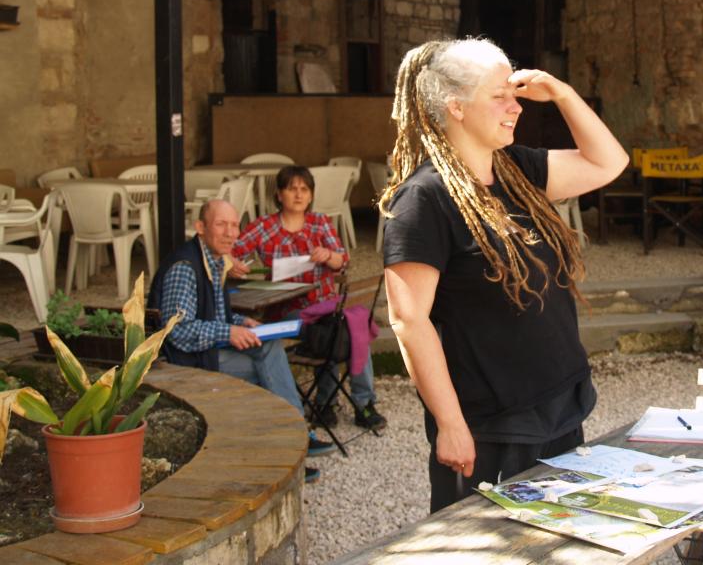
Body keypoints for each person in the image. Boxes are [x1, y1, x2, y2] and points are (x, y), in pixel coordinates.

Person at [380, 37, 628, 512]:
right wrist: (450, 423)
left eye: (513, 94)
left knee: (561, 539)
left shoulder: (518, 169)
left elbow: (608, 162)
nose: (515, 107)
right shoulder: (424, 199)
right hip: (493, 424)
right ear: (456, 107)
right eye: (499, 96)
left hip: (559, 407)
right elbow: (409, 320)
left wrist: (562, 94)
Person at [149, 199, 333, 482]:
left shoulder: (214, 259)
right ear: (200, 227)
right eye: (221, 224)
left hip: (206, 350)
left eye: (235, 225)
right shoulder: (185, 267)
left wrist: (240, 322)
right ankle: (293, 443)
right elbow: (177, 331)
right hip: (183, 359)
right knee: (267, 371)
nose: (230, 233)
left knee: (268, 345)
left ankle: (293, 441)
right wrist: (228, 332)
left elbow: (214, 314)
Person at [231, 165, 385, 430]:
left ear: (311, 195)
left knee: (345, 326)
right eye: (292, 189)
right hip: (287, 310)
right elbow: (231, 251)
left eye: (304, 189)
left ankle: (335, 403)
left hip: (325, 306)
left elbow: (342, 261)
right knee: (345, 326)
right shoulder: (265, 226)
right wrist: (232, 264)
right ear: (279, 194)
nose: (299, 194)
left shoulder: (319, 223)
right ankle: (357, 404)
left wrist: (328, 256)